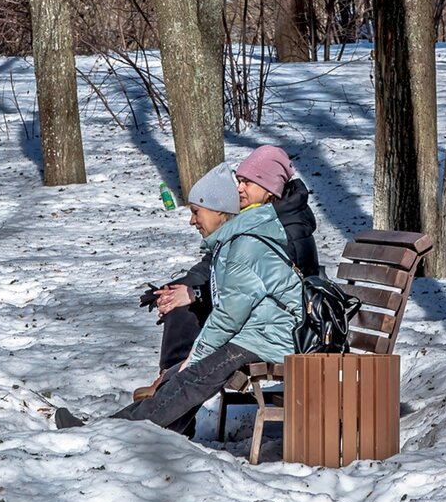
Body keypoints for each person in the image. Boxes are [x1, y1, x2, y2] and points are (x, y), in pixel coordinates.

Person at [54, 162, 303, 435]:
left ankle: (114, 434)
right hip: (259, 334)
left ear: (220, 211)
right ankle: (146, 433)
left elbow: (229, 316)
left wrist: (195, 355)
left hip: (274, 338)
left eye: (197, 212)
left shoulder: (245, 246)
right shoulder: (233, 242)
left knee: (195, 375)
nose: (192, 220)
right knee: (179, 375)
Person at [134, 144, 317, 400]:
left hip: (278, 330)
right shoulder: (252, 219)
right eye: (239, 181)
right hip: (257, 318)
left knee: (196, 325)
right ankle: (167, 385)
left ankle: (168, 387)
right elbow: (215, 267)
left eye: (247, 183)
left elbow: (253, 288)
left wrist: (196, 293)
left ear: (269, 189)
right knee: (183, 310)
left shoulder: (278, 227)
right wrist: (175, 289)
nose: (239, 188)